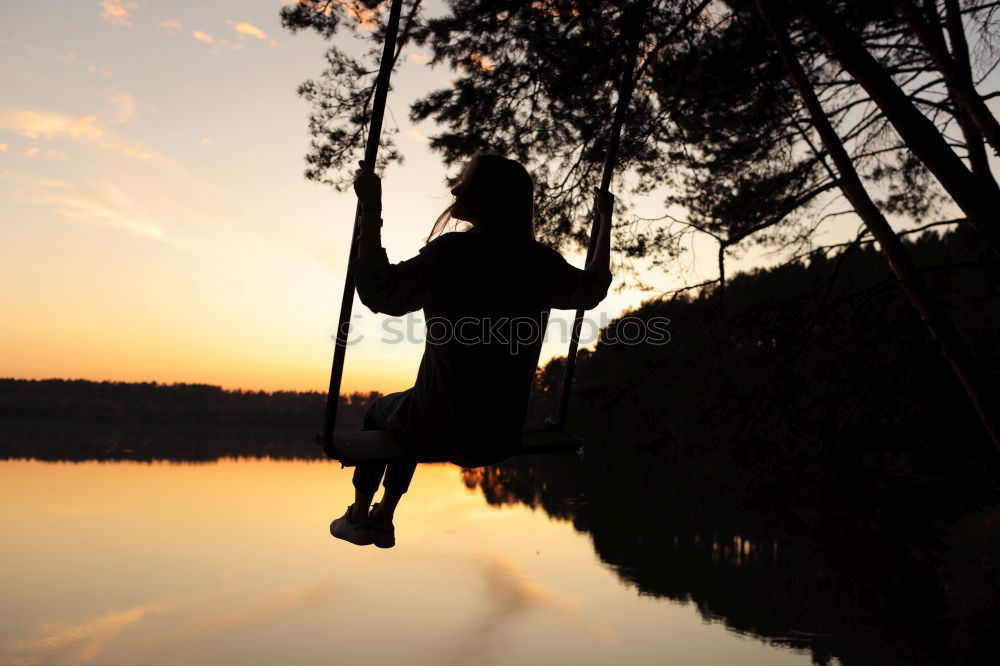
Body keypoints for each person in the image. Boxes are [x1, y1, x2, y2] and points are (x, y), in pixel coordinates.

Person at [330, 153, 614, 548]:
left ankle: (360, 514)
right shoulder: (539, 262)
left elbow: (380, 292)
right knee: (414, 411)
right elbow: (593, 288)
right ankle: (384, 516)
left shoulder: (452, 254)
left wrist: (371, 209)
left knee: (384, 412)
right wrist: (604, 222)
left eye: (467, 182)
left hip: (441, 426)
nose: (454, 188)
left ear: (489, 197)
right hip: (499, 434)